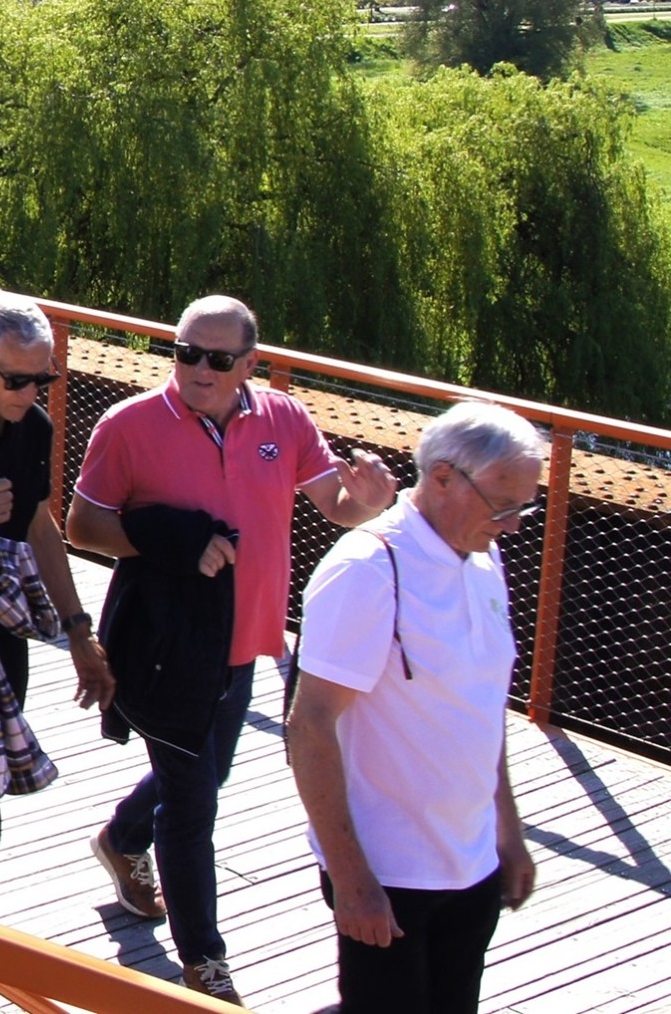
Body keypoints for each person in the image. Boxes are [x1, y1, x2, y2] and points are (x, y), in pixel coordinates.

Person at [64, 294, 397, 1005]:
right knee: (192, 809)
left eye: (218, 358)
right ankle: (204, 963)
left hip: (246, 644)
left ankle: (122, 839)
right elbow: (82, 524)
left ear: (250, 363)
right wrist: (169, 539)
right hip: (168, 646)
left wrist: (365, 501)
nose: (199, 369)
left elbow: (335, 504)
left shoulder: (283, 417)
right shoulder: (128, 425)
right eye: (186, 352)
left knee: (203, 778)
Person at [288, 402, 540, 1014]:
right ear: (445, 477)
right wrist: (351, 881)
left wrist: (507, 830)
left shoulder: (485, 556)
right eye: (502, 505)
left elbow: (480, 707)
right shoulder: (369, 571)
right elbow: (310, 728)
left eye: (523, 508)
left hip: (471, 865)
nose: (511, 524)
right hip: (390, 875)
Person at [0, 293, 116, 920]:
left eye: (45, 378)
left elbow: (40, 524)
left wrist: (78, 630)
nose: (32, 390)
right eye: (17, 378)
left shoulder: (35, 426)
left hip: (0, 622)